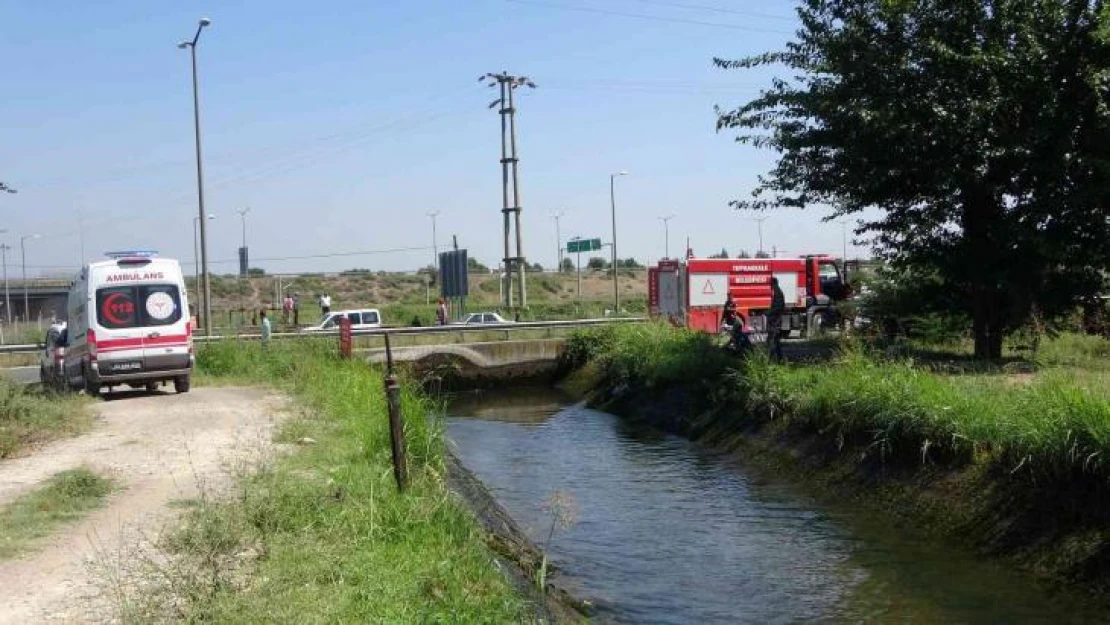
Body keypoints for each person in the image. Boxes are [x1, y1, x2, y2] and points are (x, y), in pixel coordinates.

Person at [766, 277, 786, 361]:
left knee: (772, 340)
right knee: (775, 340)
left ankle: (769, 359)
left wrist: (769, 313)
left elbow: (777, 307)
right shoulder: (778, 291)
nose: (770, 286)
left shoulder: (777, 292)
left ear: (773, 284)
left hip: (775, 321)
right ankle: (779, 358)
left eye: (770, 284)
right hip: (776, 320)